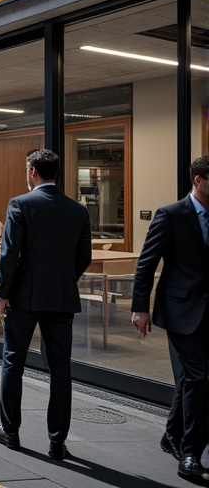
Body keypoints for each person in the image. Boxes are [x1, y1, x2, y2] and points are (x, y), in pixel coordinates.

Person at [0, 148, 91, 463]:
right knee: (60, 369)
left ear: (32, 171)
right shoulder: (77, 210)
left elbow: (10, 254)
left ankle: (11, 431)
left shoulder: (20, 204)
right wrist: (62, 280)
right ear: (55, 172)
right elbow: (83, 257)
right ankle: (57, 442)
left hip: (24, 298)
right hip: (61, 299)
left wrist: (3, 294)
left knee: (13, 362)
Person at [131, 155, 209, 480]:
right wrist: (140, 307)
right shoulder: (171, 215)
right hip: (180, 310)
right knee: (198, 376)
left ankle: (171, 436)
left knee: (192, 378)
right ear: (198, 180)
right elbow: (146, 264)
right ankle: (190, 454)